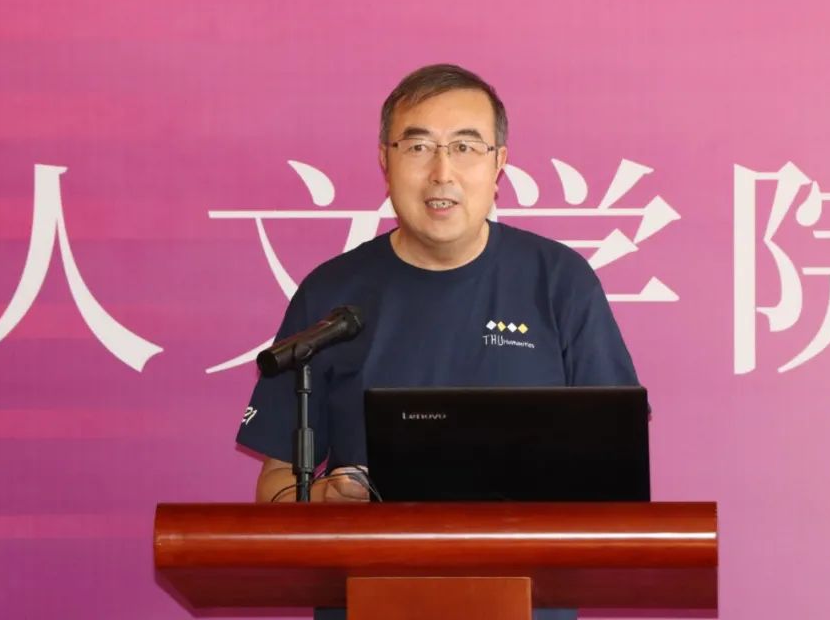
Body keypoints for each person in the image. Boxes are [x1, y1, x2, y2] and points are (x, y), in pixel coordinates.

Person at [237, 64, 640, 618]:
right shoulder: (332, 294)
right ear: (385, 160)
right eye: (418, 146)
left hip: (524, 603)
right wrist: (322, 500)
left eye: (466, 147)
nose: (441, 172)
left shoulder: (559, 282)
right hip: (370, 600)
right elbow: (277, 483)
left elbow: (615, 474)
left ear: (499, 162)